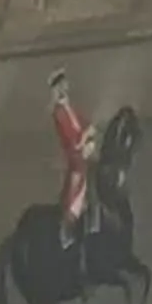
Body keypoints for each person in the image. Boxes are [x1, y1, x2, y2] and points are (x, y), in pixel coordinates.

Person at [50, 68, 100, 254]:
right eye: (61, 86)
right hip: (74, 158)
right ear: (56, 89)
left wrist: (90, 132)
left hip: (84, 155)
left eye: (65, 85)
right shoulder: (59, 113)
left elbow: (84, 123)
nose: (64, 88)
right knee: (76, 194)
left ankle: (94, 221)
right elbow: (72, 139)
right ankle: (67, 232)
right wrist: (84, 137)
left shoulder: (69, 108)